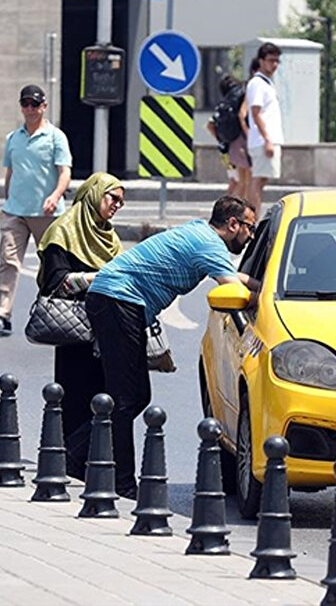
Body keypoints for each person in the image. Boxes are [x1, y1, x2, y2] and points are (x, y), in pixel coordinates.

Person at [84, 195, 261, 498]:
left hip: (117, 301)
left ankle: (76, 457)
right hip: (118, 300)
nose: (252, 236)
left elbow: (238, 277)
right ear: (233, 224)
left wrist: (266, 285)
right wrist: (270, 300)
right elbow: (233, 289)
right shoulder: (208, 244)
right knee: (127, 397)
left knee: (133, 396)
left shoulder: (202, 236)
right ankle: (120, 481)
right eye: (250, 228)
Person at [34, 173, 125, 479]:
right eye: (112, 198)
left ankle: (92, 460)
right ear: (94, 194)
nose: (116, 206)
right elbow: (54, 281)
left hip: (105, 327)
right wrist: (93, 279)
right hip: (73, 329)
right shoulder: (63, 231)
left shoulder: (109, 237)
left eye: (121, 202)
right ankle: (69, 460)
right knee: (74, 395)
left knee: (105, 395)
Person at [0, 85, 73, 336]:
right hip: (16, 213)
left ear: (43, 107)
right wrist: (7, 198)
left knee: (52, 265)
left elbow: (65, 172)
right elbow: (10, 171)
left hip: (47, 214)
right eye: (26, 104)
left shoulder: (55, 137)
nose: (30, 109)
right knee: (8, 262)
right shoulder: (13, 138)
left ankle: (55, 312)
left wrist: (55, 195)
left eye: (35, 104)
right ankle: (2, 315)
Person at [246, 43, 284, 215]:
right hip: (263, 140)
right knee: (258, 180)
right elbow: (255, 113)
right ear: (261, 61)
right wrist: (267, 139)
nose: (274, 64)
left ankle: (253, 216)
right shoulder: (257, 83)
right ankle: (252, 219)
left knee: (262, 180)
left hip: (268, 139)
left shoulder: (267, 83)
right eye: (270, 60)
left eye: (277, 61)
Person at [207, 75, 249, 199]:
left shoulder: (223, 105)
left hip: (224, 149)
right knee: (240, 181)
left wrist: (220, 138)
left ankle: (228, 204)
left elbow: (210, 125)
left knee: (233, 180)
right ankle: (230, 206)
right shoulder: (236, 103)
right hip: (236, 147)